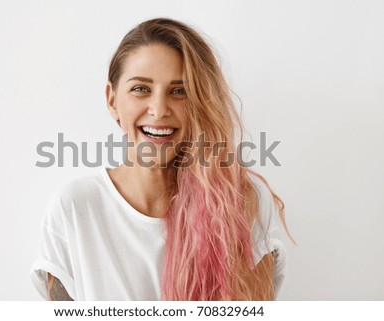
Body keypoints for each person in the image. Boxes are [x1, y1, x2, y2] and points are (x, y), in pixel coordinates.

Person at [30, 18, 291, 301]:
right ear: (112, 99)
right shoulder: (72, 209)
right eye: (141, 89)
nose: (158, 110)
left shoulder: (243, 201)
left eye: (180, 91)